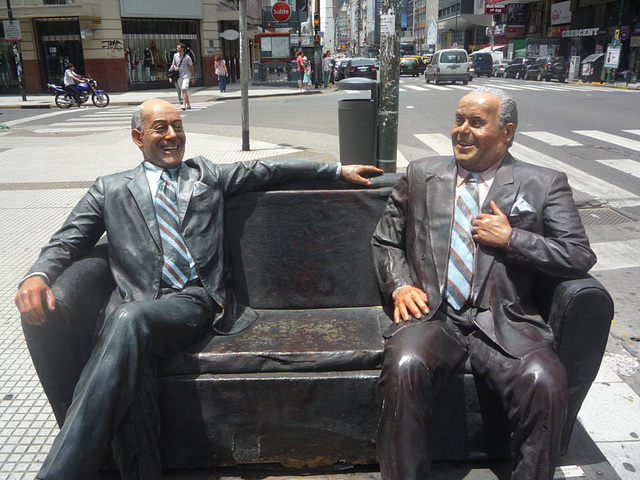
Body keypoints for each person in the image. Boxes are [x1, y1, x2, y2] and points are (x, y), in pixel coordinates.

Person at [15, 98, 382, 480]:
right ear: (138, 137)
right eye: (161, 128)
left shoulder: (205, 175)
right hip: (138, 313)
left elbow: (268, 169)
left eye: (178, 126)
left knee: (126, 320)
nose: (173, 135)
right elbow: (67, 241)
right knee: (132, 366)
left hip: (193, 303)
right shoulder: (109, 190)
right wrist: (37, 276)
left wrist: (336, 168)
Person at [371, 87, 596, 480]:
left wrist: (514, 239)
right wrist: (400, 286)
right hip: (434, 315)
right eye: (459, 120)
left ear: (506, 132)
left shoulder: (542, 183)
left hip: (504, 320)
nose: (462, 131)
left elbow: (579, 255)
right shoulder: (422, 174)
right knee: (406, 365)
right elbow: (386, 239)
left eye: (477, 123)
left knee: (545, 382)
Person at [169, 43, 194, 110]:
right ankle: (188, 104)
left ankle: (184, 105)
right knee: (184, 91)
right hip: (179, 76)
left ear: (182, 49)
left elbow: (191, 67)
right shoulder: (175, 56)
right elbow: (173, 64)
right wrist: (175, 68)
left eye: (179, 48)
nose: (177, 49)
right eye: (177, 48)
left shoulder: (187, 57)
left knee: (184, 89)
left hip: (186, 75)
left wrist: (192, 77)